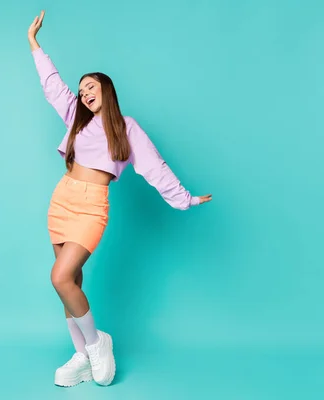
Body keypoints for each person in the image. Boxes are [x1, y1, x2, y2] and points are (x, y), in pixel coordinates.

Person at [27, 10, 212, 388]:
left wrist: (186, 200)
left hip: (92, 204)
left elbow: (155, 167)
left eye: (90, 86)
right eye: (81, 90)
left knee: (59, 277)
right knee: (71, 279)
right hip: (62, 200)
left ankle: (97, 344)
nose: (84, 93)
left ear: (106, 89)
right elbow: (53, 87)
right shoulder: (74, 119)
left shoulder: (126, 129)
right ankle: (81, 356)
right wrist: (34, 44)